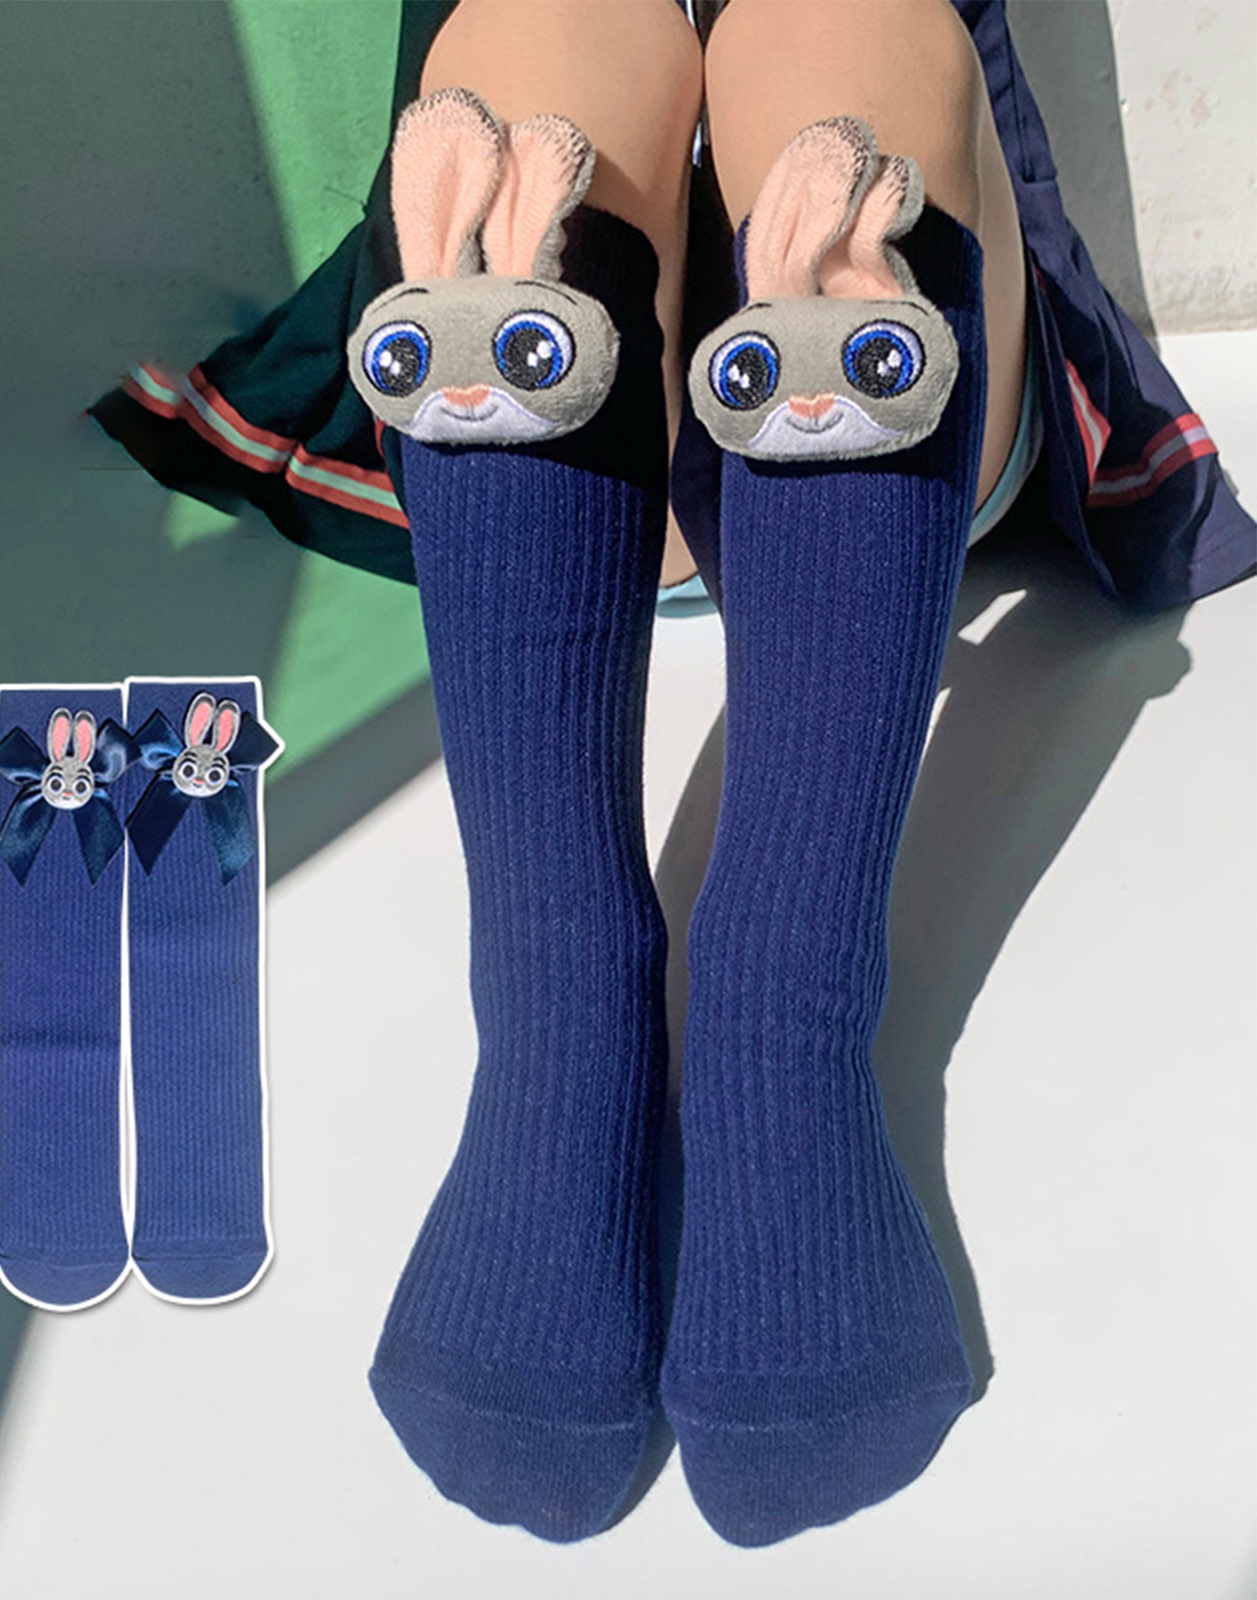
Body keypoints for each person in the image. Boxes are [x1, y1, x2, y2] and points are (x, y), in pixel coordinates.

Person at [91, 0, 1254, 1547]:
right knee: (536, 88)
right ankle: (560, 1002)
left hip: (890, 401)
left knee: (841, 46)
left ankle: (786, 1005)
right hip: (562, 453)